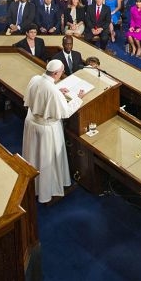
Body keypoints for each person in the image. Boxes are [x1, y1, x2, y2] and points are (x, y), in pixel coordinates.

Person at [22, 59, 84, 204]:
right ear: (56, 73)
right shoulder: (52, 90)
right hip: (46, 129)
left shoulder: (35, 78)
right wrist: (78, 99)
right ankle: (47, 191)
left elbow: (39, 93)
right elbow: (65, 112)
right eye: (61, 72)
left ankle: (35, 185)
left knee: (35, 155)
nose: (62, 74)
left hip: (31, 122)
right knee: (47, 159)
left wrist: (57, 90)